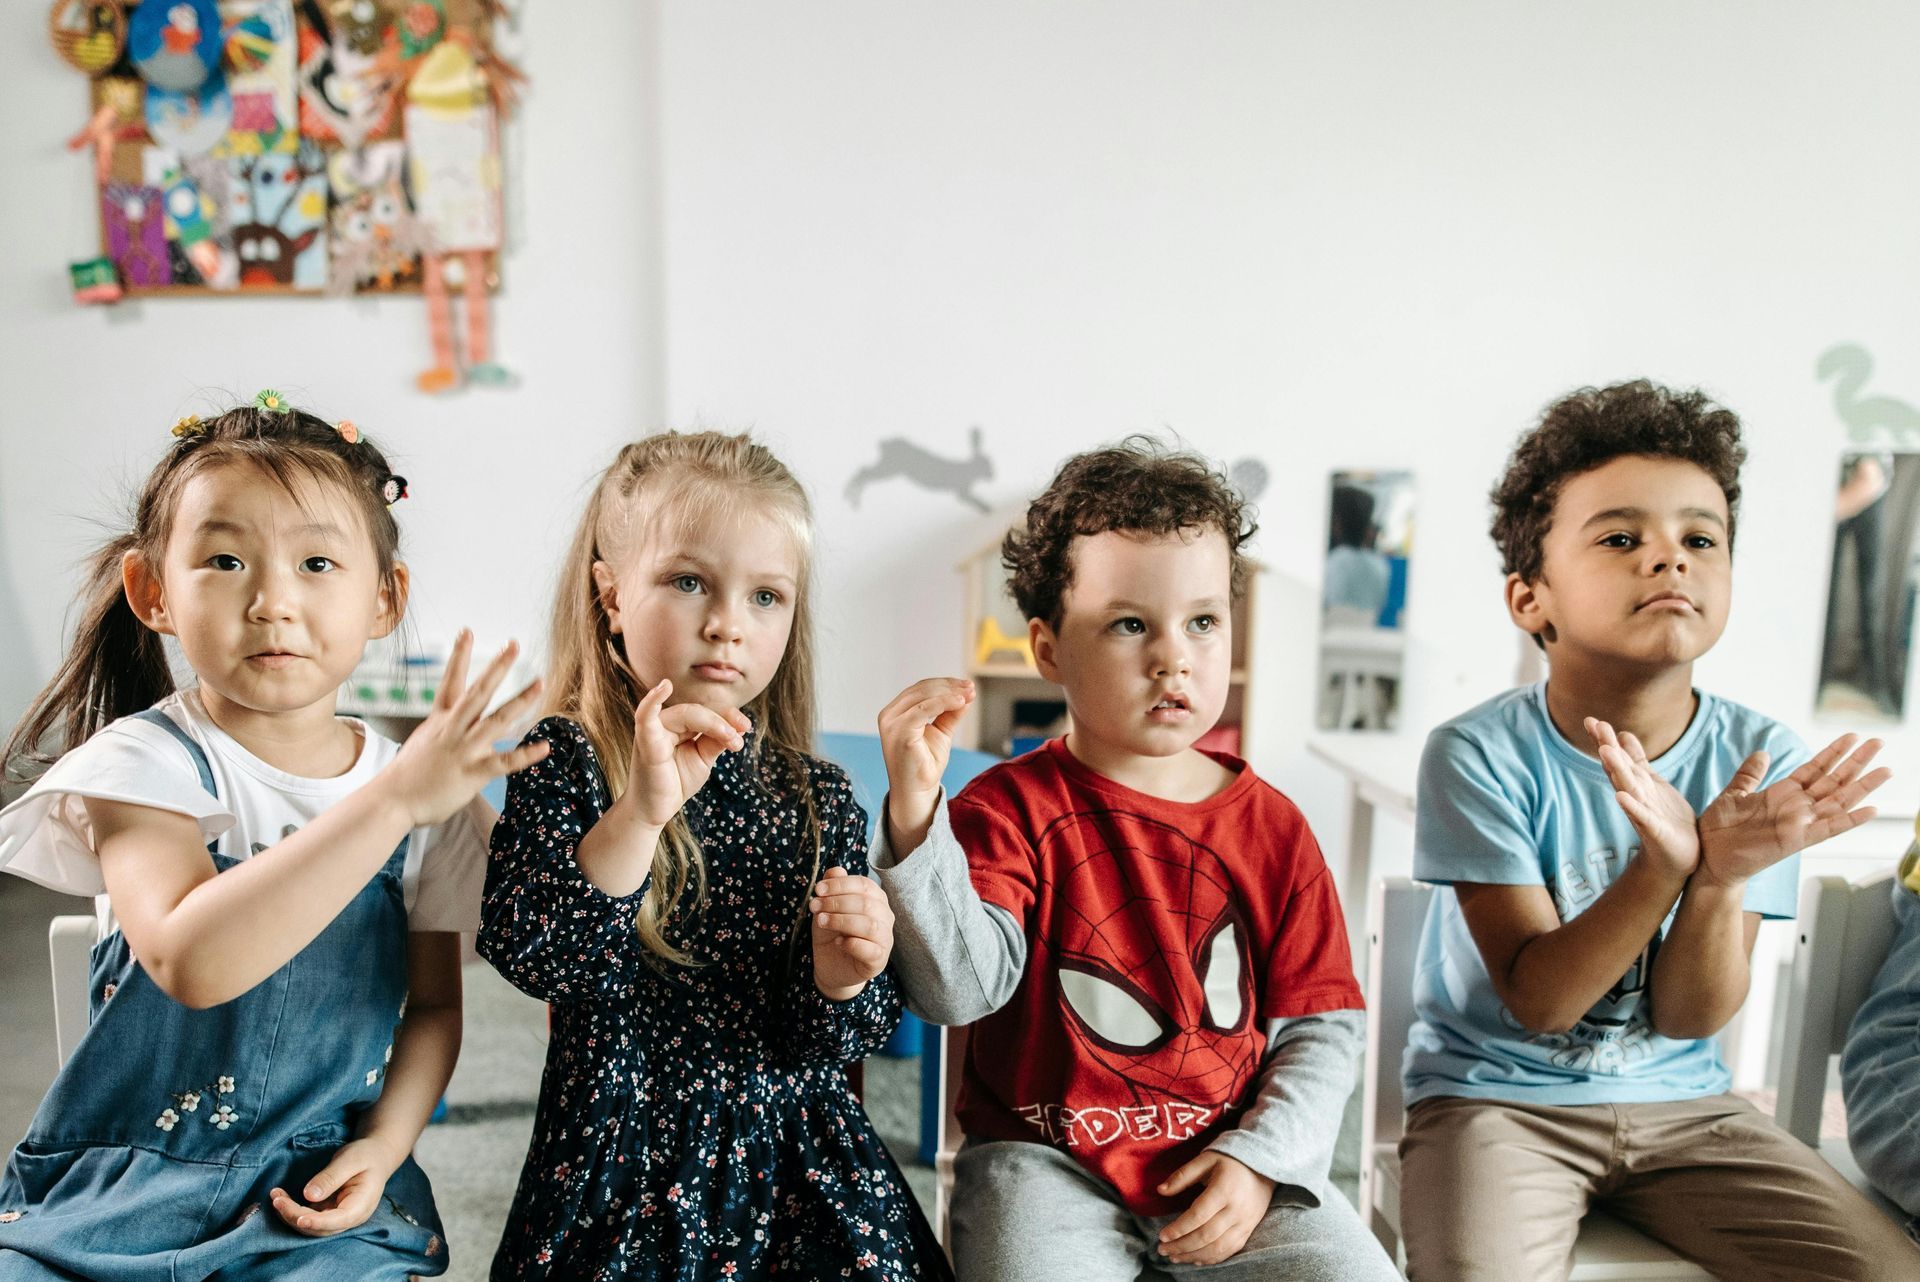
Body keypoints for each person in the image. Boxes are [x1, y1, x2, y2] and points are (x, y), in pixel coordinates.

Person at [0, 398, 545, 1280]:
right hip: (123, 1186)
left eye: (317, 562)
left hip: (320, 1187)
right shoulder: (142, 764)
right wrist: (394, 805)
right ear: (153, 592)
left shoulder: (414, 791)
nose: (272, 602)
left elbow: (436, 1009)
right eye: (223, 560)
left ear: (382, 599)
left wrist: (386, 1146)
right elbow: (191, 960)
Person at [1398, 379, 1917, 1280]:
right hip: (1496, 1104)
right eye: (1621, 538)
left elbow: (1689, 1018)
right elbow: (1541, 1002)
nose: (1670, 560)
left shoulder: (1760, 753)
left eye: (1700, 539)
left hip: (1688, 1108)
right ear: (1531, 600)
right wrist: (1661, 866)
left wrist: (1715, 879)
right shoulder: (1476, 753)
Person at [875, 439, 1397, 1280]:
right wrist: (915, 820)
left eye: (1202, 621)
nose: (1173, 655)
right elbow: (956, 993)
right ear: (1048, 650)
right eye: (1129, 624)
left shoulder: (1276, 829)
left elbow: (1322, 1030)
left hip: (1232, 1160)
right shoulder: (1004, 811)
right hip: (1045, 1165)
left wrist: (1263, 1159)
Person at [478, 431, 949, 1280]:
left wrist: (845, 972)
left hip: (795, 1154)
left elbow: (832, 1039)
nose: (729, 624)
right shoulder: (567, 758)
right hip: (620, 1156)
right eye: (688, 582)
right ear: (610, 595)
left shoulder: (819, 794)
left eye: (766, 597)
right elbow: (545, 957)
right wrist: (642, 813)